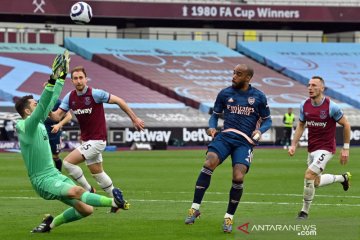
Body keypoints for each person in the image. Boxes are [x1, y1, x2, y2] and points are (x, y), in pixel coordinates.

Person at [15, 51, 128, 233]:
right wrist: (52, 81)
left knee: (86, 209)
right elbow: (44, 104)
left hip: (54, 174)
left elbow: (48, 102)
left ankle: (49, 224)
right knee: (77, 191)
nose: (38, 105)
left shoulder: (37, 122)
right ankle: (114, 201)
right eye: (34, 104)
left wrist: (60, 79)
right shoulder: (24, 126)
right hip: (42, 181)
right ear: (28, 112)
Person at [184, 64, 272, 233]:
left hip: (244, 142)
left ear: (247, 78)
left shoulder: (259, 97)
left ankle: (228, 218)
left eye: (238, 74)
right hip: (224, 137)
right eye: (233, 73)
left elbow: (267, 120)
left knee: (238, 177)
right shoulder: (225, 93)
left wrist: (260, 131)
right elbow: (214, 116)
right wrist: (212, 127)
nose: (234, 76)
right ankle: (194, 209)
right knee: (209, 163)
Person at [49, 65, 145, 213]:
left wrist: (134, 118)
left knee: (68, 163)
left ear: (86, 79)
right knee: (97, 173)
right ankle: (116, 202)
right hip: (87, 141)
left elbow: (119, 100)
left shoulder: (96, 94)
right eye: (75, 78)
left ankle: (88, 191)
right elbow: (56, 116)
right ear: (72, 80)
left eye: (81, 78)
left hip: (98, 140)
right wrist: (46, 106)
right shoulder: (70, 97)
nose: (79, 81)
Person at [288, 76, 351, 220]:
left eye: (314, 85)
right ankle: (343, 178)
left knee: (309, 175)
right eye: (309, 85)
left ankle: (304, 212)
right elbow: (301, 125)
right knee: (315, 182)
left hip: (327, 148)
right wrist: (293, 144)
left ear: (322, 88)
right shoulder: (304, 105)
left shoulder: (331, 106)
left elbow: (346, 124)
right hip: (312, 148)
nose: (310, 88)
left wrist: (345, 148)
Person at [44, 99, 72, 172]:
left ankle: (58, 174)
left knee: (55, 156)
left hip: (54, 133)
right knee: (43, 155)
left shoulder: (59, 102)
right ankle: (45, 175)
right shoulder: (40, 101)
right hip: (42, 132)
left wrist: (59, 125)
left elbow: (69, 116)